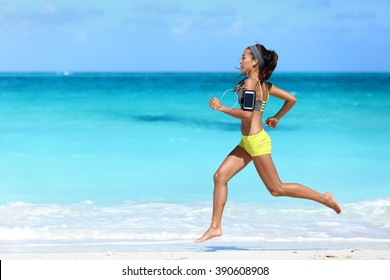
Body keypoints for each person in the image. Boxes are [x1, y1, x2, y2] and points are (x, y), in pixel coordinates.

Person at [196, 44, 341, 243]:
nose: (240, 61)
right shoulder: (265, 85)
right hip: (247, 142)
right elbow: (291, 99)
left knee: (277, 189)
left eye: (244, 57)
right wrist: (277, 117)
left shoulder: (251, 83)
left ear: (254, 61)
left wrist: (222, 108)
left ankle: (325, 198)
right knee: (220, 176)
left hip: (256, 142)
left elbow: (247, 116)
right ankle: (215, 227)